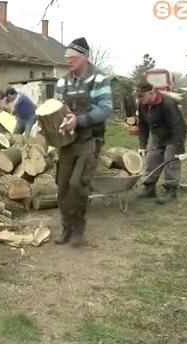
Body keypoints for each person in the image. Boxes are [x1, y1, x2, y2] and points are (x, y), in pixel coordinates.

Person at [53, 37, 113, 247]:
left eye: (73, 58)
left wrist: (79, 120)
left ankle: (78, 227)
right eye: (66, 58)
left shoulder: (99, 79)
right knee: (62, 188)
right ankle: (66, 228)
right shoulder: (62, 82)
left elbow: (105, 109)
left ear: (85, 57)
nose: (68, 61)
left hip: (90, 139)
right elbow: (56, 108)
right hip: (67, 141)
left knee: (77, 184)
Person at [135, 81, 187, 204]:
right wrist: (142, 145)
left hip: (174, 136)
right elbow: (142, 126)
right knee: (152, 159)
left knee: (171, 159)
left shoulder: (167, 103)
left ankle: (171, 190)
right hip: (158, 137)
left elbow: (177, 125)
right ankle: (149, 188)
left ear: (151, 93)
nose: (139, 100)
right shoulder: (142, 105)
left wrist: (179, 146)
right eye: (138, 97)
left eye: (142, 96)